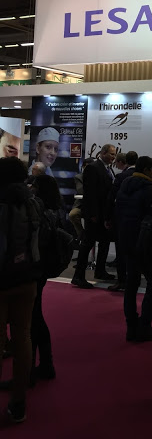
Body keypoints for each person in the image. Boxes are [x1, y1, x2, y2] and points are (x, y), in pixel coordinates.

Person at [0, 156, 41, 424]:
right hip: (27, 277)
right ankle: (18, 402)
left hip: (2, 279)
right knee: (23, 337)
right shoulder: (32, 201)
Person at [115, 156, 152, 342]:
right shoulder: (150, 189)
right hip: (144, 242)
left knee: (131, 283)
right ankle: (144, 324)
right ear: (147, 169)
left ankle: (131, 325)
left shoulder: (124, 184)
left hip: (125, 239)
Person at [30, 175, 65, 385]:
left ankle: (35, 367)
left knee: (32, 318)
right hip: (44, 268)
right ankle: (45, 363)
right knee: (36, 316)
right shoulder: (55, 209)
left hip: (35, 268)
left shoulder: (39, 211)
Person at [71, 144, 116, 289]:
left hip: (104, 214)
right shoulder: (93, 168)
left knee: (104, 242)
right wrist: (93, 214)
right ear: (103, 153)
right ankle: (78, 276)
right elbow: (90, 193)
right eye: (111, 154)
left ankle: (100, 271)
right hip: (95, 214)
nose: (113, 157)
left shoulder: (108, 169)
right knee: (87, 244)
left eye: (114, 155)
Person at [107, 151, 138, 292]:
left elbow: (111, 198)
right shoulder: (142, 176)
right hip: (137, 219)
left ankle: (122, 280)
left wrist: (108, 217)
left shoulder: (121, 177)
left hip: (122, 218)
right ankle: (134, 279)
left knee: (121, 250)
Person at [68, 158, 95, 242]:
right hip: (81, 204)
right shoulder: (79, 177)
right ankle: (82, 235)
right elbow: (81, 190)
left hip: (95, 205)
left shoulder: (97, 176)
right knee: (73, 214)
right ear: (83, 167)